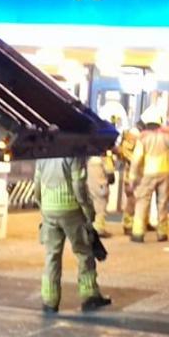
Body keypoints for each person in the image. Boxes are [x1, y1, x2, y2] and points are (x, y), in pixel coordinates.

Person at [33, 155, 111, 313]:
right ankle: (89, 296)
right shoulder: (73, 157)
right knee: (84, 253)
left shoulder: (42, 158)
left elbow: (37, 188)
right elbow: (79, 188)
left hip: (49, 212)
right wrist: (88, 211)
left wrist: (43, 206)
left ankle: (49, 301)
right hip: (71, 211)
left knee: (51, 256)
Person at [129, 107, 169, 243]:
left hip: (147, 173)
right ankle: (162, 233)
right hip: (165, 172)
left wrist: (132, 177)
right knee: (163, 203)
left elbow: (137, 159)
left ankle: (138, 233)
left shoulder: (143, 137)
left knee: (142, 202)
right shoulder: (167, 134)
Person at [117, 127, 141, 235]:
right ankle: (128, 225)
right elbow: (133, 160)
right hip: (132, 179)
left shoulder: (126, 147)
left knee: (134, 202)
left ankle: (131, 224)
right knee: (132, 202)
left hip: (133, 178)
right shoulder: (129, 149)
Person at [86, 151, 116, 238]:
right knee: (101, 207)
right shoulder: (105, 156)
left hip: (91, 185)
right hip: (101, 186)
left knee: (93, 205)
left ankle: (91, 227)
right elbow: (110, 173)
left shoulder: (89, 157)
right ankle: (99, 229)